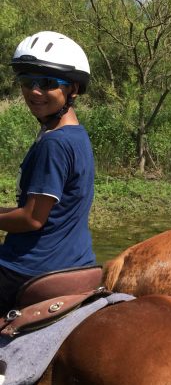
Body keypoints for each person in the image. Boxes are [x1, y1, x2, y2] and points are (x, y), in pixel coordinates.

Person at [0, 31, 95, 317]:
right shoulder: (75, 136)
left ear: (73, 89)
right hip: (77, 260)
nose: (35, 91)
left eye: (48, 83)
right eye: (27, 82)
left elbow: (32, 218)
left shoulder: (54, 143)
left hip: (32, 267)